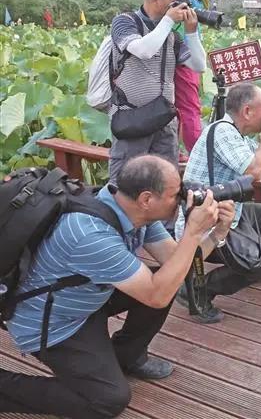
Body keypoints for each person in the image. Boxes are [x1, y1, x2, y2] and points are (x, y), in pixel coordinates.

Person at [0, 155, 234, 418]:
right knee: (107, 401)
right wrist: (192, 231)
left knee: (166, 276)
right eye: (175, 194)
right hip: (52, 322)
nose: (182, 198)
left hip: (85, 297)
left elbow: (177, 263)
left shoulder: (133, 211)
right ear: (147, 199)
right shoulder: (91, 235)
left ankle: (125, 356)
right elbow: (157, 295)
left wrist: (216, 234)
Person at [174, 82, 261, 322]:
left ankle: (243, 264)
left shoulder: (238, 135)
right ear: (247, 111)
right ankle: (197, 288)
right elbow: (253, 171)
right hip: (203, 222)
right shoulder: (223, 131)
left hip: (227, 211)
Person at [108, 0, 206, 184]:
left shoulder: (171, 36)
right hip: (131, 118)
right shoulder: (125, 22)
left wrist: (191, 33)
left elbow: (199, 66)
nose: (178, 6)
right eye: (173, 1)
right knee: (125, 184)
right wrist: (168, 20)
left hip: (164, 121)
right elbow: (143, 50)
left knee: (165, 186)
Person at [156, 0, 213, 156]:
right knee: (189, 107)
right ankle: (197, 156)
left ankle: (181, 150)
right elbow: (167, 10)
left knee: (182, 106)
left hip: (183, 47)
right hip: (173, 50)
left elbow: (200, 10)